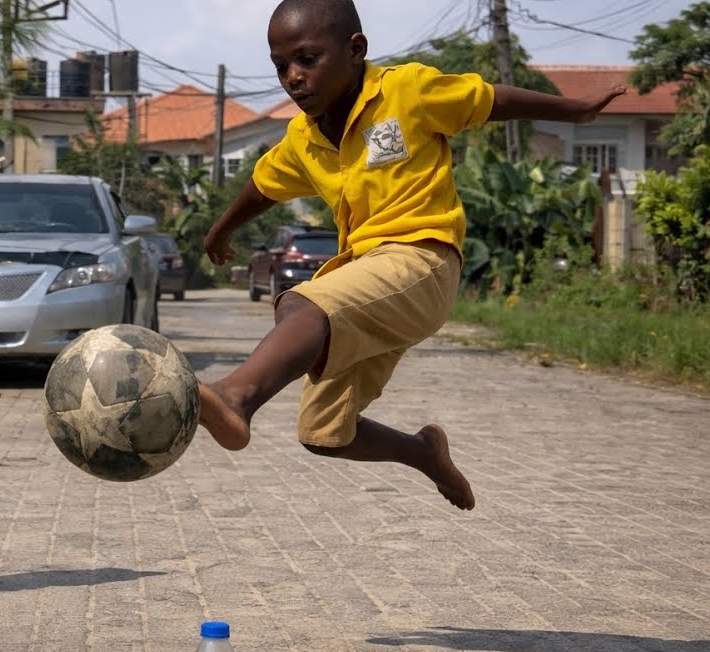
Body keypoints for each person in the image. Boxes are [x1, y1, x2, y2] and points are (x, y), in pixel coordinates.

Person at [197, 0, 626, 511]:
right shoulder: (303, 140)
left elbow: (489, 100)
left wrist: (575, 110)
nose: (293, 77)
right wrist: (220, 231)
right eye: (281, 66)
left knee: (301, 304)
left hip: (423, 263)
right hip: (366, 285)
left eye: (308, 59)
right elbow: (263, 186)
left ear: (355, 50)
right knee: (324, 432)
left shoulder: (407, 91)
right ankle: (424, 452)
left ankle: (236, 396)